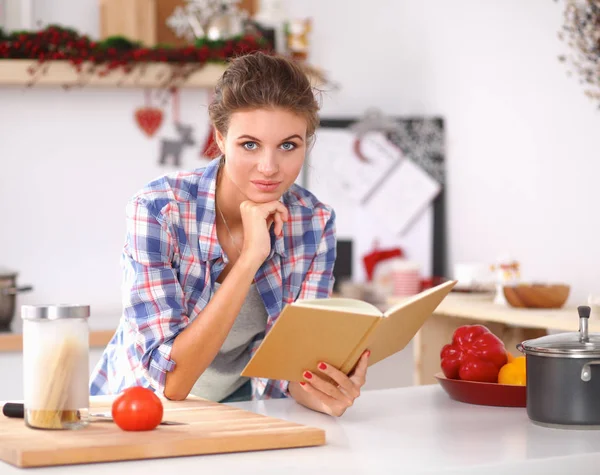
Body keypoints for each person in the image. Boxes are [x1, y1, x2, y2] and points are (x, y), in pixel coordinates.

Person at [89, 51, 370, 417]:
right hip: (142, 410)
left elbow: (290, 369)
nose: (269, 168)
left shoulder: (313, 222)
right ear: (220, 139)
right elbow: (170, 381)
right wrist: (252, 256)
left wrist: (324, 393)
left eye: (288, 145)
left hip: (243, 409)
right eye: (249, 144)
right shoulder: (159, 210)